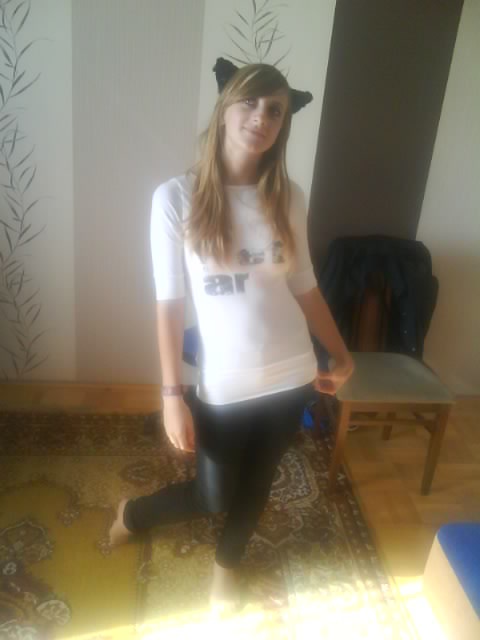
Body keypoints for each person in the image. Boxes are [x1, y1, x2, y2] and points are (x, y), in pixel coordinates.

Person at [109, 58, 354, 611]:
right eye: (250, 102)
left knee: (260, 479)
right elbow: (169, 306)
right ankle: (134, 513)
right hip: (224, 384)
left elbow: (305, 285)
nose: (261, 117)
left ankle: (227, 566)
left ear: (283, 125)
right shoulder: (175, 198)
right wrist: (171, 396)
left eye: (275, 110)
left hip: (292, 374)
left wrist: (341, 354)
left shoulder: (289, 196)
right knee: (212, 493)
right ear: (224, 109)